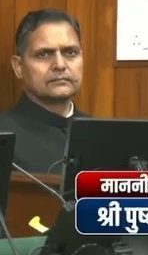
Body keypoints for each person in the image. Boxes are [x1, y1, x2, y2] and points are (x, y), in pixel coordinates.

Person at [0, 9, 88, 174]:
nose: (60, 65)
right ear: (18, 67)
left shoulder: (103, 133)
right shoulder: (4, 137)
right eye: (44, 54)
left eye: (71, 53)